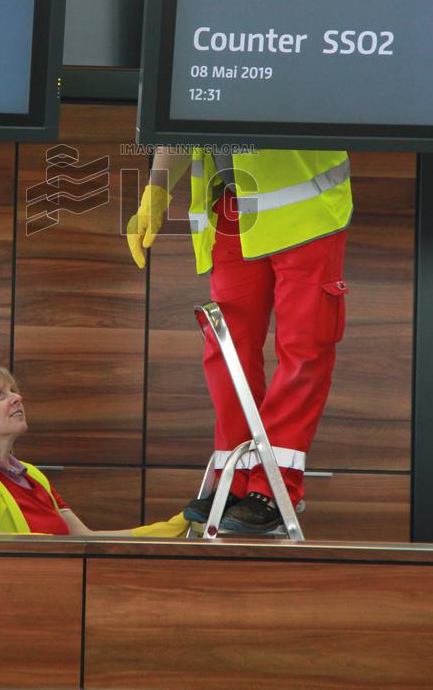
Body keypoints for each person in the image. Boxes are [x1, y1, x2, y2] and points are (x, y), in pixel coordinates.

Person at [127, 146, 351, 535]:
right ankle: (236, 480)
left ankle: (274, 486)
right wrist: (157, 190)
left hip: (306, 208)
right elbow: (181, 124)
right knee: (226, 350)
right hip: (231, 210)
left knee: (304, 348)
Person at [0, 365, 186, 537]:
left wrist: (172, 528)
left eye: (13, 390)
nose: (17, 397)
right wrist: (49, 545)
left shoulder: (32, 476)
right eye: (0, 395)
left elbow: (85, 538)